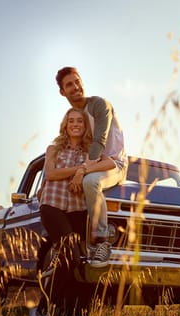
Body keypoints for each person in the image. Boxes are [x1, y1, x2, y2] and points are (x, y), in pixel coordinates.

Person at [55, 67, 128, 268]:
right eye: (69, 84)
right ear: (62, 92)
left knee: (90, 182)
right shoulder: (76, 116)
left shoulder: (99, 104)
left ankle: (102, 241)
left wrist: (81, 171)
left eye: (77, 81)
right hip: (91, 163)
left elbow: (99, 141)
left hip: (114, 164)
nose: (75, 87)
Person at [39, 107, 115, 277]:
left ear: (85, 126)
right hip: (52, 206)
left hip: (78, 210)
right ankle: (49, 290)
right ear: (65, 126)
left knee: (75, 261)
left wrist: (83, 172)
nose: (75, 124)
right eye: (71, 121)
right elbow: (51, 174)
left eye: (80, 121)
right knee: (71, 257)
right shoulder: (53, 149)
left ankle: (52, 301)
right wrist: (79, 169)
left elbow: (110, 164)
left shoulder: (91, 152)